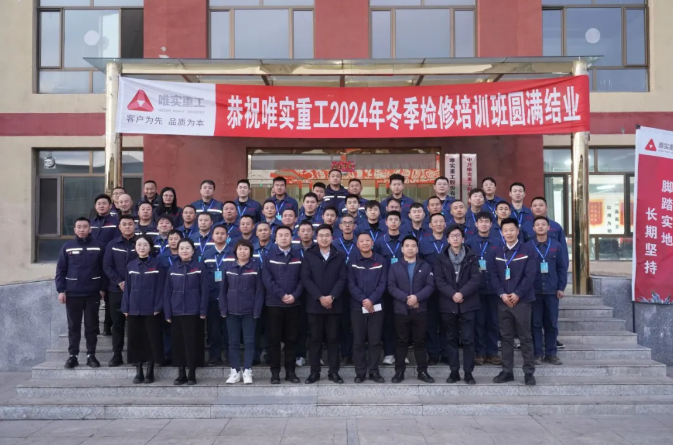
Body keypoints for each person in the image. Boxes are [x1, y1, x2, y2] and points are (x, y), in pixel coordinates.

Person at [487, 217, 537, 386]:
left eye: (511, 230)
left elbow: (530, 275)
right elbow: (493, 276)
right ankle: (507, 371)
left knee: (525, 337)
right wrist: (502, 294)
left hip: (522, 301)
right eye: (505, 230)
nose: (508, 233)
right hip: (503, 301)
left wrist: (517, 294)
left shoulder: (528, 250)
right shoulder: (496, 251)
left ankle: (528, 373)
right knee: (506, 337)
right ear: (501, 233)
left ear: (517, 231)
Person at [55, 217, 106, 369]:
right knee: (73, 326)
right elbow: (60, 270)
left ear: (90, 229)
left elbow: (104, 269)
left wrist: (102, 288)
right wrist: (61, 290)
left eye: (85, 227)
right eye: (79, 227)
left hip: (92, 292)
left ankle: (91, 355)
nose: (82, 229)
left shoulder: (99, 246)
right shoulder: (67, 247)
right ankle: (73, 356)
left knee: (91, 326)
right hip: (73, 293)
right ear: (75, 229)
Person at [434, 224, 482, 385]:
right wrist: (453, 294)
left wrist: (462, 293)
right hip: (448, 303)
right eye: (452, 236)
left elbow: (476, 278)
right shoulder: (440, 257)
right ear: (447, 239)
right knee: (450, 339)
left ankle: (468, 373)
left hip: (468, 302)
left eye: (458, 235)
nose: (455, 238)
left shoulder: (472, 255)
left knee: (468, 339)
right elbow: (439, 280)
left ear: (463, 238)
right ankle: (454, 371)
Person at [301, 224, 348, 384]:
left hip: (334, 305)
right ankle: (314, 372)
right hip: (315, 305)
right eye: (321, 235)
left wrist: (332, 297)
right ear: (316, 237)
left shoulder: (339, 255)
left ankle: (333, 372)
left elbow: (342, 278)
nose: (324, 238)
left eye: (327, 235)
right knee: (315, 340)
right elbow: (306, 278)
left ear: (332, 237)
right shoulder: (309, 255)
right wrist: (320, 297)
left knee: (333, 339)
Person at [387, 235, 435, 384]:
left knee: (420, 342)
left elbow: (430, 285)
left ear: (417, 249)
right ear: (402, 249)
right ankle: (399, 372)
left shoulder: (425, 266)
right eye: (407, 246)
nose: (410, 248)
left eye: (413, 246)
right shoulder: (395, 267)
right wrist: (407, 299)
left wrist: (417, 298)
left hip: (420, 310)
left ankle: (422, 371)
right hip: (401, 310)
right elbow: (391, 287)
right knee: (401, 341)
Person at [121, 235, 165, 384]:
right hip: (134, 308)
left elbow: (161, 287)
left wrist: (158, 306)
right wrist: (125, 306)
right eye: (139, 245)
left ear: (150, 247)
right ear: (135, 247)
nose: (142, 247)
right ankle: (138, 370)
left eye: (145, 245)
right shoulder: (131, 265)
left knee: (151, 338)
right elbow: (127, 288)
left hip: (151, 309)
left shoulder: (157, 264)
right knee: (135, 339)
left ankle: (150, 370)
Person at [262, 226, 303, 384]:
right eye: (281, 235)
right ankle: (275, 372)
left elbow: (303, 279)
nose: (284, 238)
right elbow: (267, 280)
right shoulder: (269, 256)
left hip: (293, 304)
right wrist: (282, 295)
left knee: (291, 339)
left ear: (292, 237)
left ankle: (290, 372)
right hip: (274, 304)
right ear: (275, 238)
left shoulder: (298, 255)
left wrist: (294, 295)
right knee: (274, 340)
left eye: (287, 235)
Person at [164, 238, 208, 386]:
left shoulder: (199, 267)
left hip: (193, 311)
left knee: (192, 343)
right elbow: (167, 292)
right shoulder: (173, 268)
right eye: (181, 248)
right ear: (178, 250)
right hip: (176, 311)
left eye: (187, 248)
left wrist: (203, 310)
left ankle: (192, 373)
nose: (184, 251)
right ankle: (181, 373)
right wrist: (168, 312)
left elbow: (204, 290)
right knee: (178, 343)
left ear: (193, 251)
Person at [221, 239, 264, 385]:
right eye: (240, 249)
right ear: (235, 251)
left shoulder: (256, 267)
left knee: (249, 342)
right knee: (233, 342)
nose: (243, 251)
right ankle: (235, 371)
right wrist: (223, 308)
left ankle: (247, 371)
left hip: (249, 312)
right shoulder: (228, 267)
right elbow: (223, 290)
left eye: (246, 249)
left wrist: (257, 310)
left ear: (250, 251)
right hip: (231, 312)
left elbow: (259, 291)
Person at [348, 232, 387, 383]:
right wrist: (364, 300)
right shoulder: (352, 260)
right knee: (358, 341)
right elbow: (351, 284)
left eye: (367, 240)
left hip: (376, 306)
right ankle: (360, 372)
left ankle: (374, 371)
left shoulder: (380, 260)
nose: (365, 243)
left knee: (375, 341)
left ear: (372, 243)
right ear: (357, 245)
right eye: (361, 241)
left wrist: (371, 300)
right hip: (357, 307)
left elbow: (383, 283)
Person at [529, 216, 568, 366]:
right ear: (533, 228)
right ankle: (537, 354)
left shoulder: (556, 245)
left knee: (551, 323)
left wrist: (561, 287)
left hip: (552, 291)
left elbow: (562, 268)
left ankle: (551, 354)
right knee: (535, 323)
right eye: (537, 225)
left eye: (543, 224)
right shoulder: (528, 246)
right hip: (534, 291)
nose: (540, 227)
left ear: (548, 228)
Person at [464, 212, 502, 366]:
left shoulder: (498, 242)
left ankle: (492, 352)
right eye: (481, 221)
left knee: (493, 322)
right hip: (476, 289)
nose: (484, 224)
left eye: (487, 221)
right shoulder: (469, 242)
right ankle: (479, 353)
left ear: (491, 224)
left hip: (494, 288)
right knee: (478, 322)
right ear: (476, 224)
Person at [102, 215, 138, 367]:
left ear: (134, 226)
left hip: (136, 290)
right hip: (116, 290)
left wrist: (131, 283)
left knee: (135, 325)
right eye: (124, 224)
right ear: (119, 227)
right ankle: (117, 355)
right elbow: (107, 266)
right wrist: (119, 282)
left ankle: (135, 355)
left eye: (130, 224)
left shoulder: (141, 243)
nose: (127, 226)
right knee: (117, 324)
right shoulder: (112, 244)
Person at [374, 210, 405, 365]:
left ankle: (402, 353)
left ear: (400, 222)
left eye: (396, 219)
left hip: (403, 287)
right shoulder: (379, 242)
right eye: (390, 219)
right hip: (385, 288)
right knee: (387, 321)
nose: (393, 222)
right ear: (385, 223)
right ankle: (389, 353)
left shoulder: (406, 241)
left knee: (402, 321)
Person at [419, 212, 450, 366]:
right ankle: (433, 354)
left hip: (448, 290)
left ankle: (446, 353)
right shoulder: (423, 242)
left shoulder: (450, 241)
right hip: (429, 290)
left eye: (441, 221)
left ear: (445, 224)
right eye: (435, 222)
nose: (438, 224)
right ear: (430, 225)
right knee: (430, 323)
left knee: (446, 323)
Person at [202, 225, 233, 367]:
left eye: (222, 233)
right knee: (213, 330)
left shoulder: (233, 253)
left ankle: (230, 356)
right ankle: (214, 357)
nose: (220, 236)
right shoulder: (207, 254)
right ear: (212, 236)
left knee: (229, 329)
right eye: (217, 233)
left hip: (229, 298)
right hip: (212, 298)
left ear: (227, 236)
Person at [333, 214, 356, 365]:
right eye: (344, 223)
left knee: (357, 323)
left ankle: (356, 353)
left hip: (358, 288)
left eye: (350, 223)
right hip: (339, 289)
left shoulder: (361, 242)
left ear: (354, 226)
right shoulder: (334, 244)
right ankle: (345, 353)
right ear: (340, 226)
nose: (347, 225)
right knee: (342, 323)